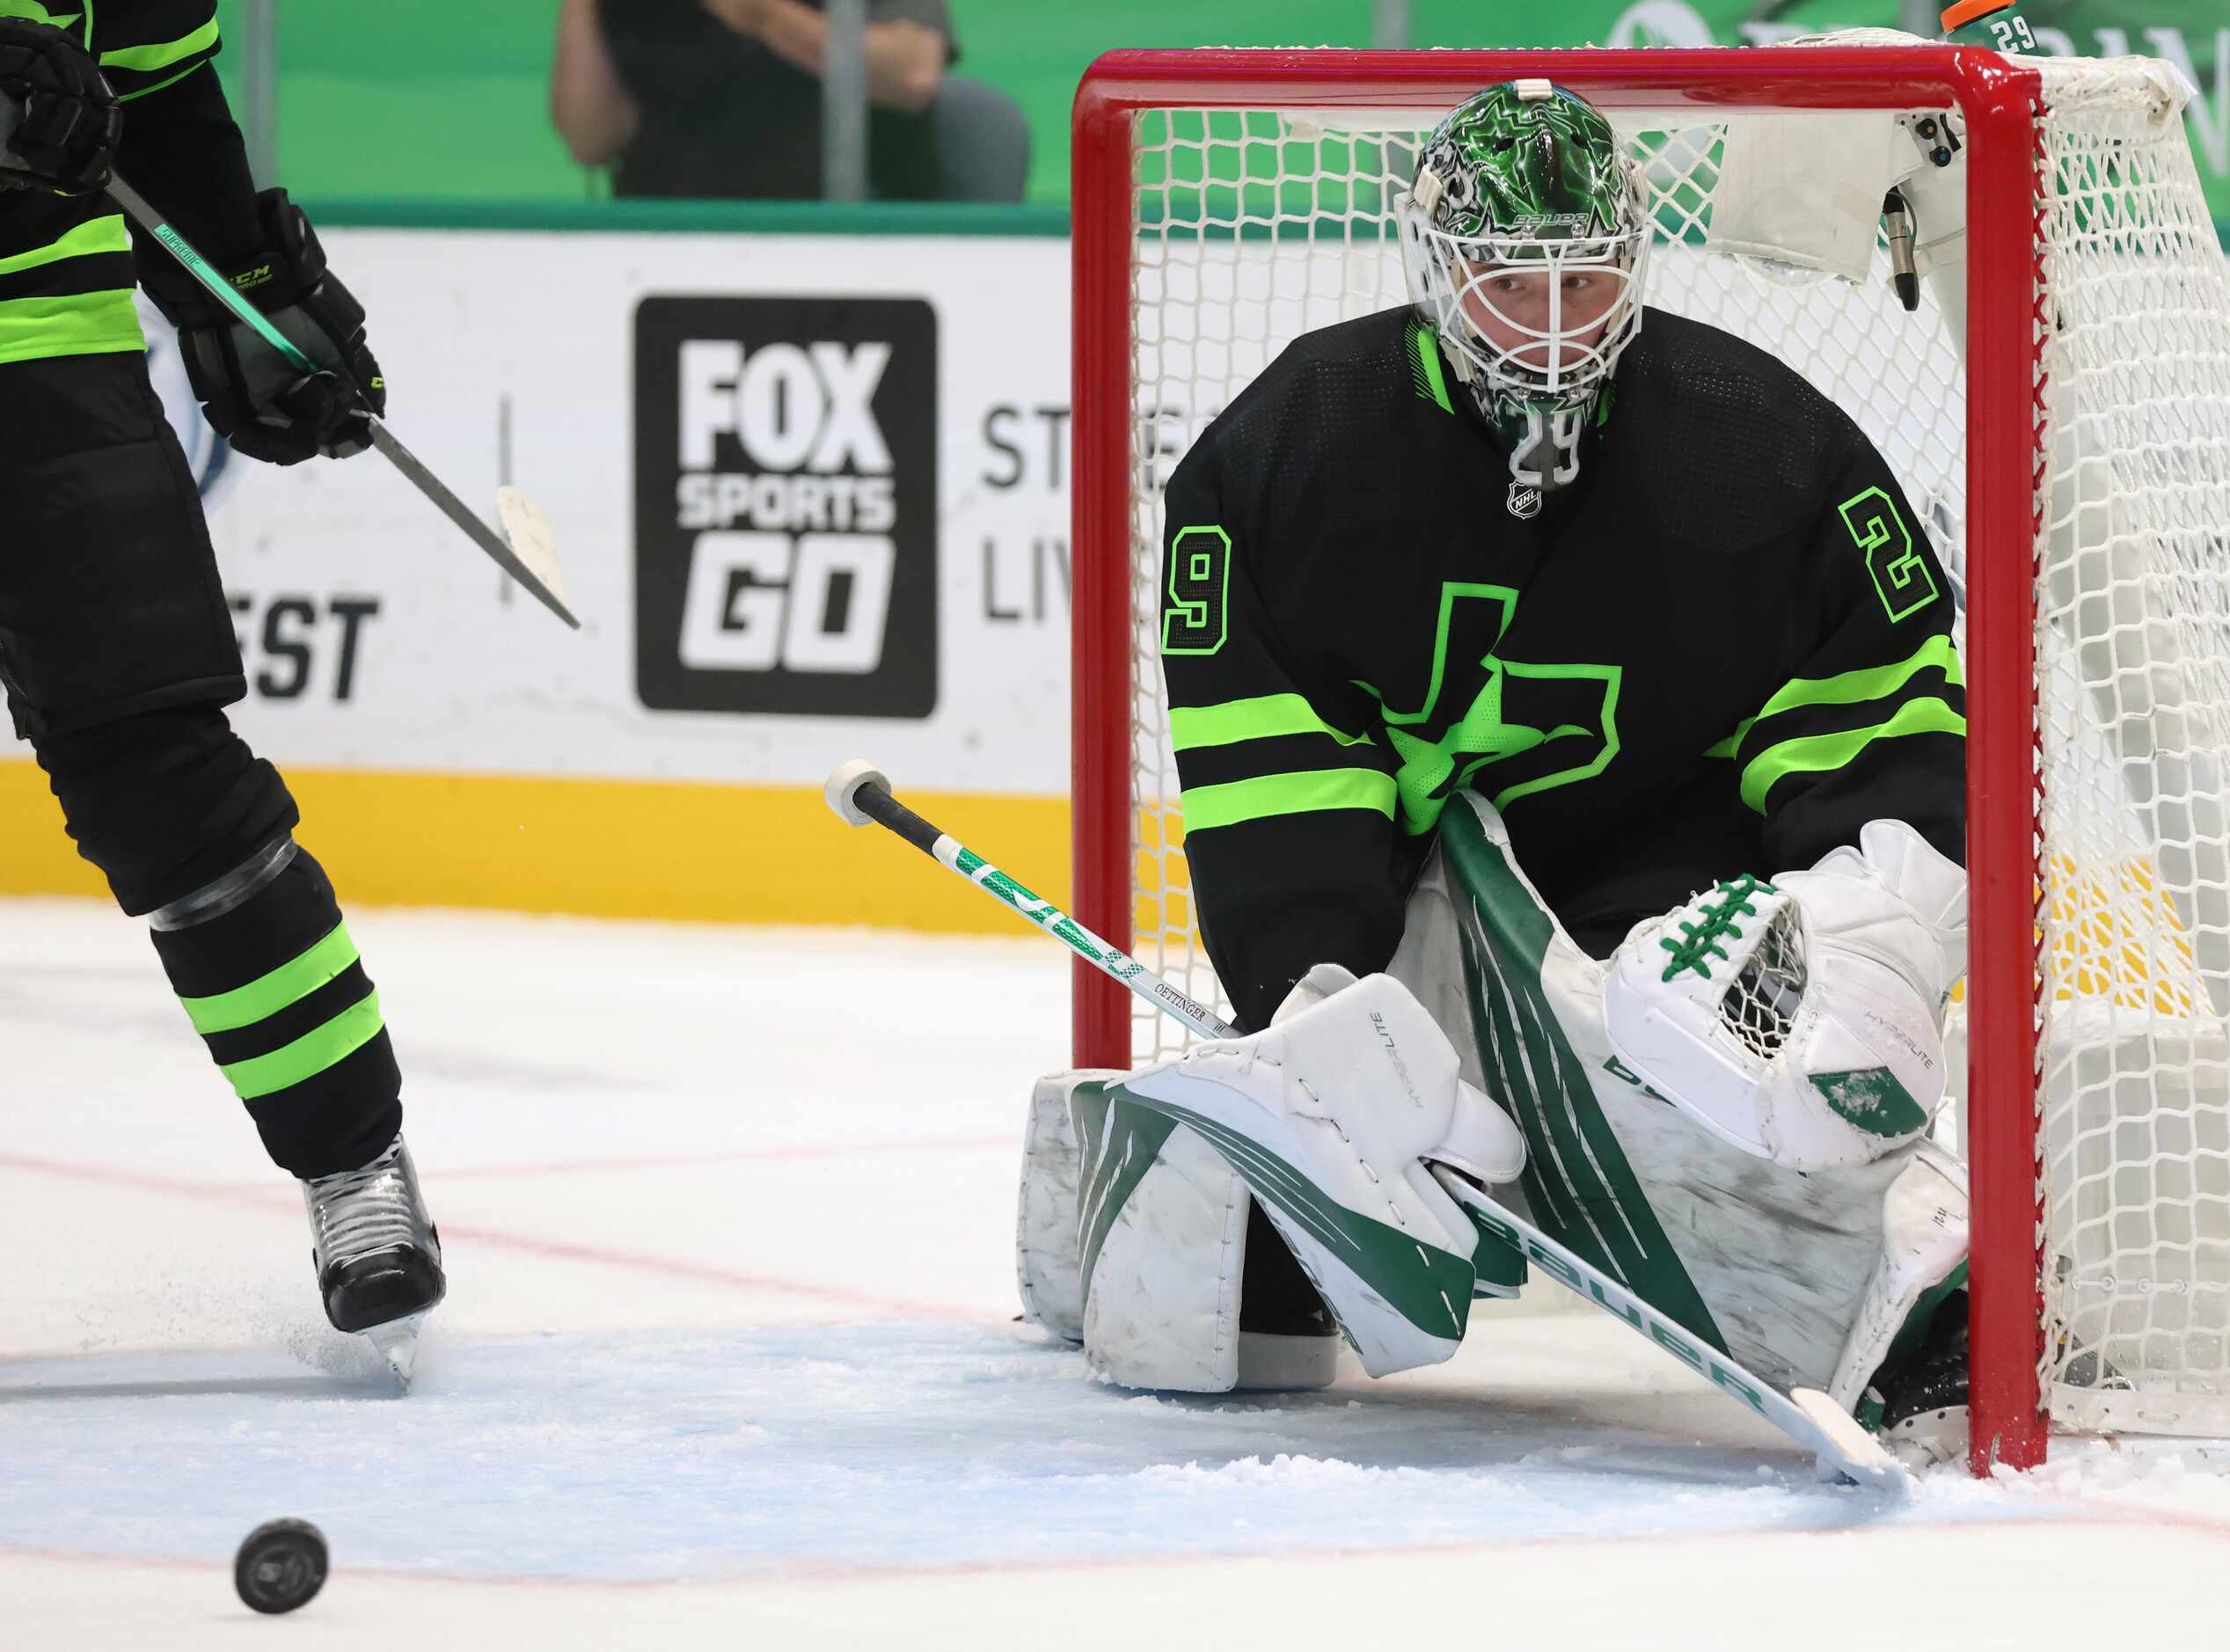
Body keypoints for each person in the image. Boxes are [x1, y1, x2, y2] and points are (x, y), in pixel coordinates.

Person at [1019, 81, 1976, 1461]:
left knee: (1730, 1066)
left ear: (1634, 265)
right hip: (1418, 909)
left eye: (1581, 279)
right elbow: (1278, 796)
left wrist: (1849, 946)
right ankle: (1179, 1198)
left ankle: (1904, 1287)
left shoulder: (1763, 453)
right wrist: (1317, 1009)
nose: (1544, 321)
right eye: (1502, 278)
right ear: (1430, 265)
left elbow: (1882, 761)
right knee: (1211, 1293)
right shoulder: (1283, 456)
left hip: (1664, 901)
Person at [0, 4, 444, 1381]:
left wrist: (237, 284)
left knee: (168, 784)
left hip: (42, 348)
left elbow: (158, 83)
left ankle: (353, 1164)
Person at [550, 0, 957, 201]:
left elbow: (911, 73)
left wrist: (763, 15)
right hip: (669, 243)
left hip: (847, 243)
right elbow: (590, 139)